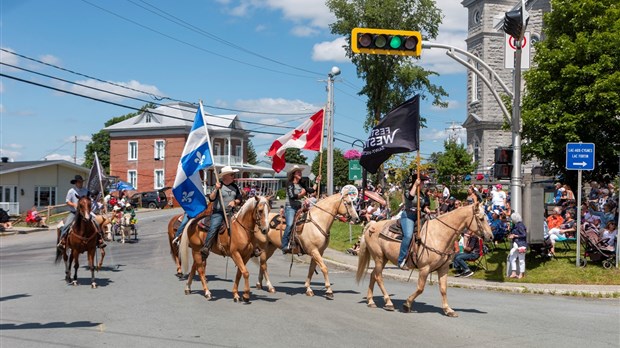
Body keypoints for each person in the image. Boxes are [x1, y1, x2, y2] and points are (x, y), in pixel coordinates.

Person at [201, 166, 243, 257]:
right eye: (232, 174)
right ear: (226, 176)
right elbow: (211, 199)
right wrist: (216, 189)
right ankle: (206, 247)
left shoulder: (235, 186)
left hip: (232, 211)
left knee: (244, 224)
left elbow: (240, 198)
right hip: (219, 212)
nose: (233, 176)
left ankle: (251, 246)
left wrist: (235, 201)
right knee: (214, 226)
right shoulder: (219, 185)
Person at [58, 175, 106, 250]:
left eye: (81, 182)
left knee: (96, 222)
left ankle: (100, 239)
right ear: (76, 183)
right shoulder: (71, 191)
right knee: (67, 224)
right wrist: (74, 204)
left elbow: (89, 200)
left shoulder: (86, 191)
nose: (81, 183)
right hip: (74, 212)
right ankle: (62, 240)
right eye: (79, 182)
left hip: (85, 212)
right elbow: (67, 201)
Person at [281, 165, 319, 254]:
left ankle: (303, 243)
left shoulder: (301, 183)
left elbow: (311, 191)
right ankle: (284, 245)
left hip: (300, 207)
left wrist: (317, 182)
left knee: (308, 222)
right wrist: (302, 195)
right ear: (294, 174)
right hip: (291, 207)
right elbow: (292, 196)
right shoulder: (290, 184)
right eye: (298, 172)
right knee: (290, 224)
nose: (300, 173)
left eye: (300, 172)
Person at [397, 177, 430, 270]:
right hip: (408, 215)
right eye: (422, 182)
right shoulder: (408, 191)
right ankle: (401, 260)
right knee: (408, 235)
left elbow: (423, 205)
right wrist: (415, 185)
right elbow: (410, 198)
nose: (424, 184)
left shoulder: (421, 194)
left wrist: (426, 209)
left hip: (419, 216)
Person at [508, 212, 527, 279]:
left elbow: (524, 235)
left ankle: (521, 273)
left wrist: (515, 236)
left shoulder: (520, 225)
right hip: (516, 244)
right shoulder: (515, 225)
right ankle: (514, 272)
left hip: (521, 244)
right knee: (512, 258)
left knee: (521, 260)